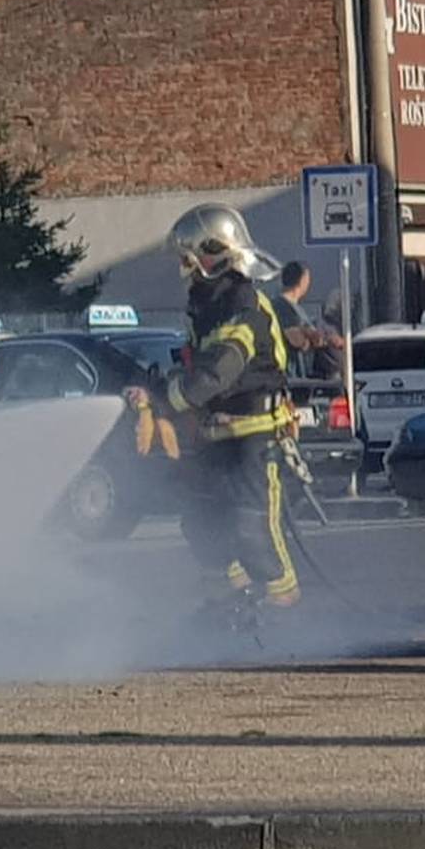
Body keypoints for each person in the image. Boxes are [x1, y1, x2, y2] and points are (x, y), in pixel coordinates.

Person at [126, 203, 302, 622]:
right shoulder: (207, 305)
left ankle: (285, 612)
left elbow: (216, 374)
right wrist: (153, 391)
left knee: (250, 527)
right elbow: (193, 366)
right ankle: (233, 603)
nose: (185, 269)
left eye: (191, 258)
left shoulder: (243, 305)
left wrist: (168, 399)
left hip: (256, 437)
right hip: (215, 438)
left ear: (217, 252)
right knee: (202, 524)